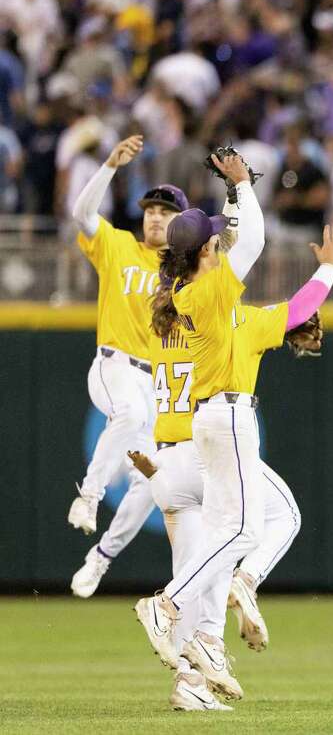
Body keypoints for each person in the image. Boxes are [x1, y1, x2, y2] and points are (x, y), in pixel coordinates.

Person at [134, 211, 333, 708]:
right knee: (250, 531)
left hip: (171, 458)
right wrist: (326, 272)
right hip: (211, 431)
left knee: (213, 552)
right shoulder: (217, 303)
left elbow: (275, 315)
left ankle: (195, 670)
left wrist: (287, 322)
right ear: (206, 255)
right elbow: (287, 302)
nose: (223, 247)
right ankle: (176, 602)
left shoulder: (174, 311)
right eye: (215, 243)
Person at [67, 135, 182, 596]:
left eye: (166, 211)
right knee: (129, 414)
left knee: (153, 483)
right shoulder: (117, 246)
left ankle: (100, 558)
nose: (155, 216)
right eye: (152, 209)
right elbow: (81, 214)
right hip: (112, 366)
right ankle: (89, 495)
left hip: (154, 384)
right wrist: (111, 165)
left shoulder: (187, 273)